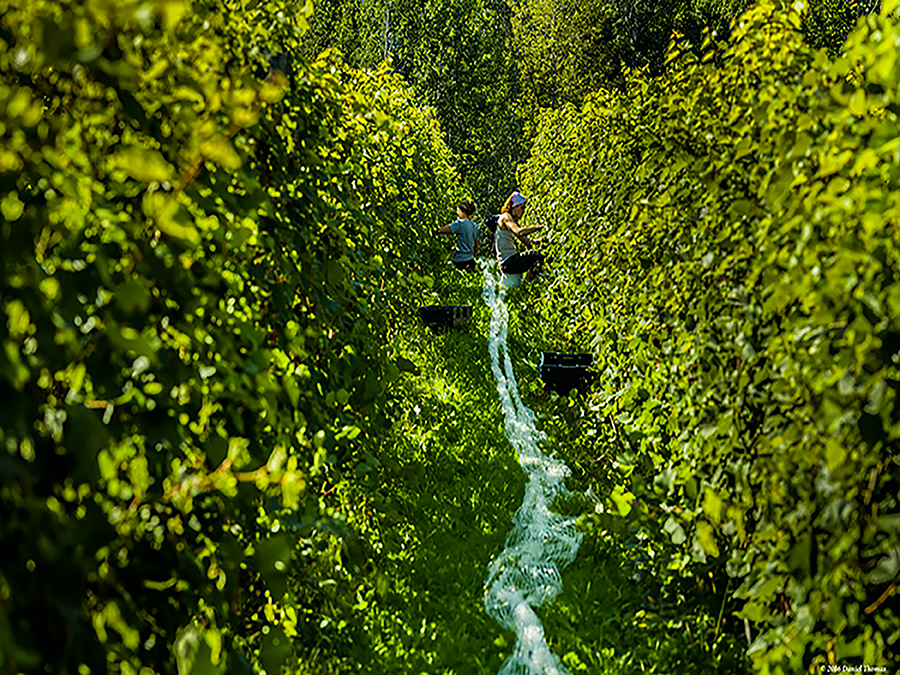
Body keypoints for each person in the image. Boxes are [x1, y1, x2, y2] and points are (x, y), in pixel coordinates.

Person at [495, 191, 544, 277]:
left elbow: (528, 243)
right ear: (514, 207)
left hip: (510, 261)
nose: (524, 211)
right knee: (537, 256)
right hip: (508, 262)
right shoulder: (506, 217)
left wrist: (540, 241)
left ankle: (527, 284)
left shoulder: (512, 221)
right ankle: (527, 283)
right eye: (522, 208)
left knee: (536, 255)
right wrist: (538, 227)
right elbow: (519, 232)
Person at [433, 200, 479, 271]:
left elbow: (444, 230)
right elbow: (476, 247)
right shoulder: (474, 226)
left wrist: (434, 229)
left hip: (460, 260)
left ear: (462, 212)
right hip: (471, 260)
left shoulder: (459, 224)